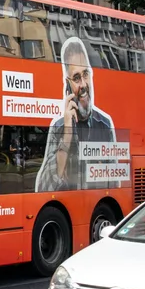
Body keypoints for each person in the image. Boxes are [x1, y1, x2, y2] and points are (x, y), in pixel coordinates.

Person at [35, 36, 118, 193]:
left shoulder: (105, 125)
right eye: (77, 78)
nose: (84, 85)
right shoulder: (58, 128)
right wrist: (67, 135)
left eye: (85, 74)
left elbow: (113, 184)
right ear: (67, 84)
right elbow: (45, 188)